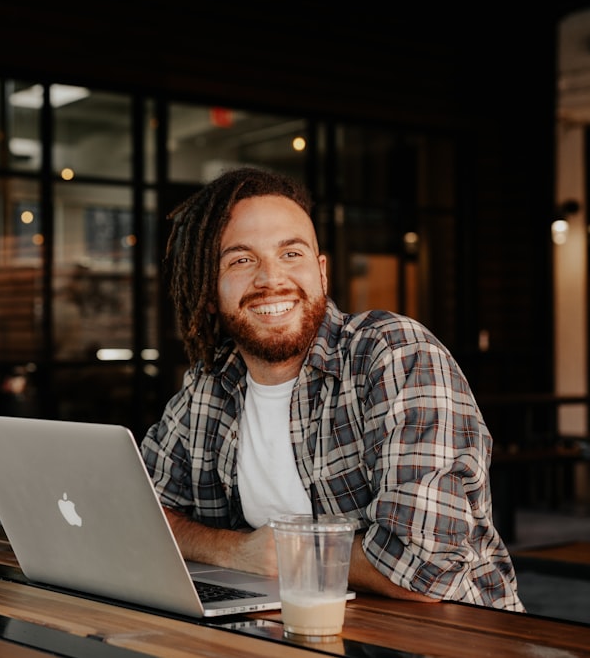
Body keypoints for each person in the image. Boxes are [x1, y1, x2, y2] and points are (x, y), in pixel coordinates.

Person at [140, 166, 524, 611]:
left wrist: (286, 553)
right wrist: (233, 551)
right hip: (295, 631)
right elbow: (142, 510)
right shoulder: (210, 385)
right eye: (241, 260)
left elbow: (424, 568)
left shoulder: (394, 354)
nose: (270, 279)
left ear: (321, 272)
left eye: (291, 254)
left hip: (447, 636)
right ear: (210, 290)